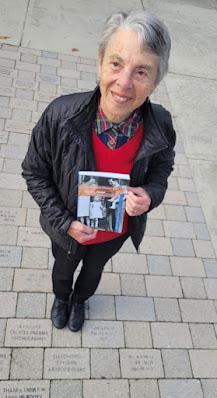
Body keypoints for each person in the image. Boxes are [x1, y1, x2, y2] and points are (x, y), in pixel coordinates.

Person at [22, 10, 176, 332]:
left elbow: (162, 168)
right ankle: (62, 298)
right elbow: (34, 173)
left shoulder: (160, 125)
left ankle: (80, 301)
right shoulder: (61, 115)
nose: (123, 83)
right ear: (100, 61)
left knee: (93, 272)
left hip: (114, 232)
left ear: (156, 81)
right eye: (116, 63)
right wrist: (66, 224)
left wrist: (150, 195)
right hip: (68, 229)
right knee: (63, 271)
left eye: (141, 71)